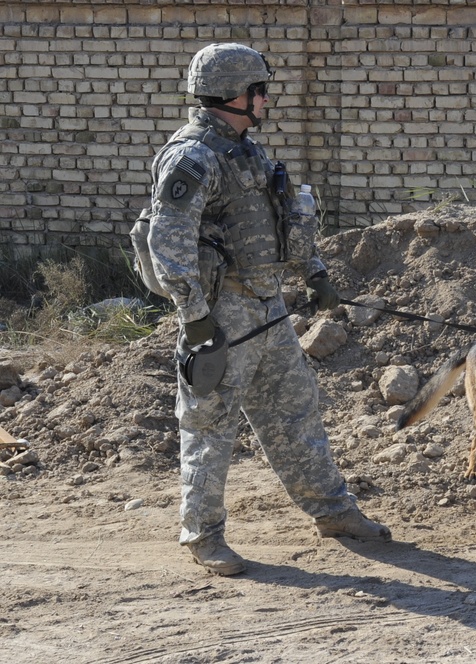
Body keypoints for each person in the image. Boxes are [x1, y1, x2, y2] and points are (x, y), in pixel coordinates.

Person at [146, 43, 390, 576]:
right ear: (233, 94)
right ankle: (203, 536)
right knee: (210, 425)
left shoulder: (246, 150)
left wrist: (316, 272)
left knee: (295, 409)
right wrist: (194, 317)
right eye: (259, 90)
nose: (266, 98)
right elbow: (170, 242)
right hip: (221, 312)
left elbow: (284, 219)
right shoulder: (192, 156)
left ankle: (334, 512)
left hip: (267, 306)